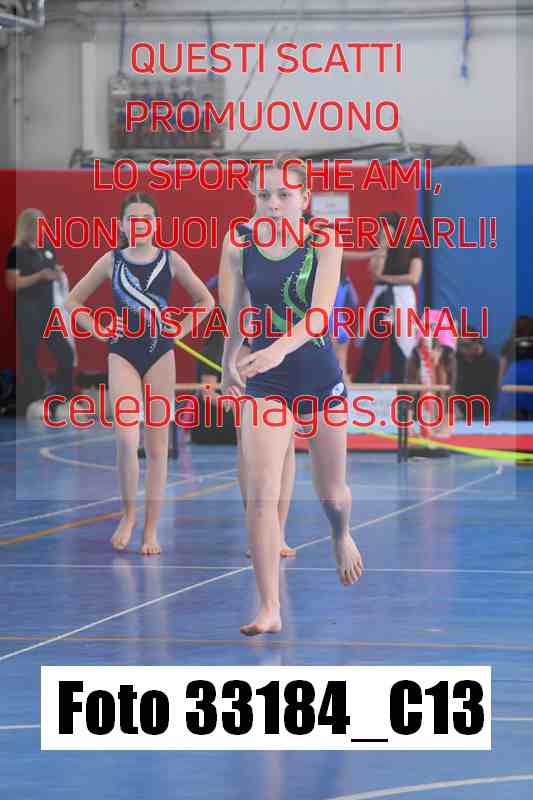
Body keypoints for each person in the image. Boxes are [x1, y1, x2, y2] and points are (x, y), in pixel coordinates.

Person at [220, 155, 363, 637]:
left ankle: (341, 533)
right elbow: (238, 310)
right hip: (266, 381)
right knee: (261, 494)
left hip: (317, 375)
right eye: (264, 195)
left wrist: (277, 348)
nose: (274, 204)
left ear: (305, 199)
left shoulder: (324, 240)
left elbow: (319, 316)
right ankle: (269, 607)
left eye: (284, 194)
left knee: (332, 493)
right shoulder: (240, 245)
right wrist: (228, 361)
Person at [64, 192, 214, 555]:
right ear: (122, 225)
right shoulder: (111, 261)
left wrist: (180, 330)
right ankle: (129, 514)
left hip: (160, 354)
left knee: (158, 448)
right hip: (123, 353)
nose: (140, 223)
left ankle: (150, 530)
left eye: (147, 217)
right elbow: (72, 301)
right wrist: (97, 328)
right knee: (127, 438)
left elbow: (206, 301)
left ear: (156, 223)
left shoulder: (170, 259)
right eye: (133, 218)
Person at [217, 260, 297, 559]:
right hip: (250, 343)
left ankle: (279, 530)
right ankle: (259, 530)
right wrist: (248, 335)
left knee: (287, 443)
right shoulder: (237, 242)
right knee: (249, 442)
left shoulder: (302, 241)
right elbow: (230, 297)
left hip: (288, 343)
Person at [5, 208, 75, 416]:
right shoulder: (16, 252)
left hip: (49, 312)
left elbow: (52, 270)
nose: (41, 231)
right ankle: (34, 399)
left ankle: (61, 398)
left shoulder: (47, 248)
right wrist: (39, 276)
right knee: (29, 357)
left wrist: (56, 274)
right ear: (27, 228)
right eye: (37, 227)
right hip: (28, 311)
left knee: (66, 354)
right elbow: (12, 283)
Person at [356, 211, 423, 383]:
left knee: (400, 342)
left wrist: (387, 278)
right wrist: (383, 247)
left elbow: (413, 278)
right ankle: (363, 381)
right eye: (380, 227)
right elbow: (375, 274)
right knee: (373, 341)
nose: (381, 231)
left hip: (402, 297)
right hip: (382, 297)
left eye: (385, 227)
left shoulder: (411, 246)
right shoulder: (378, 246)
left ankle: (400, 384)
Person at [456, 330, 499, 419]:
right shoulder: (456, 359)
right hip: (461, 412)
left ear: (476, 344)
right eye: (458, 345)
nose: (460, 349)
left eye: (464, 345)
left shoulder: (491, 362)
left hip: (485, 414)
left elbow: (493, 392)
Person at [329, 266, 359, 384]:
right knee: (343, 367)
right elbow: (354, 301)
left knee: (330, 365)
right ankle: (347, 393)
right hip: (342, 324)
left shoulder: (325, 279)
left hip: (329, 324)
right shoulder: (345, 279)